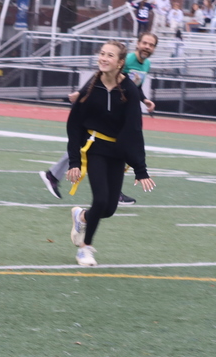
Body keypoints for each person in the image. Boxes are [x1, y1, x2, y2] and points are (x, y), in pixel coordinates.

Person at [38, 32, 158, 203]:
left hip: (119, 106)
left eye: (151, 44)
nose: (147, 46)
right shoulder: (127, 60)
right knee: (91, 140)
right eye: (145, 43)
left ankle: (112, 190)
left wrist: (144, 99)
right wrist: (81, 93)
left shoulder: (146, 64)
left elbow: (133, 86)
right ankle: (55, 175)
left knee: (119, 140)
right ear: (137, 44)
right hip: (106, 105)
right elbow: (101, 76)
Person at [65, 40, 155, 266]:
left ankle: (81, 217)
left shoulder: (130, 90)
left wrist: (140, 169)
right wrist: (74, 161)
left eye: (110, 55)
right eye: (102, 54)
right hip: (94, 149)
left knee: (108, 209)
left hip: (117, 153)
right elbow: (74, 125)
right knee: (101, 199)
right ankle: (85, 248)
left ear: (120, 63)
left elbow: (134, 130)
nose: (103, 58)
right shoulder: (91, 87)